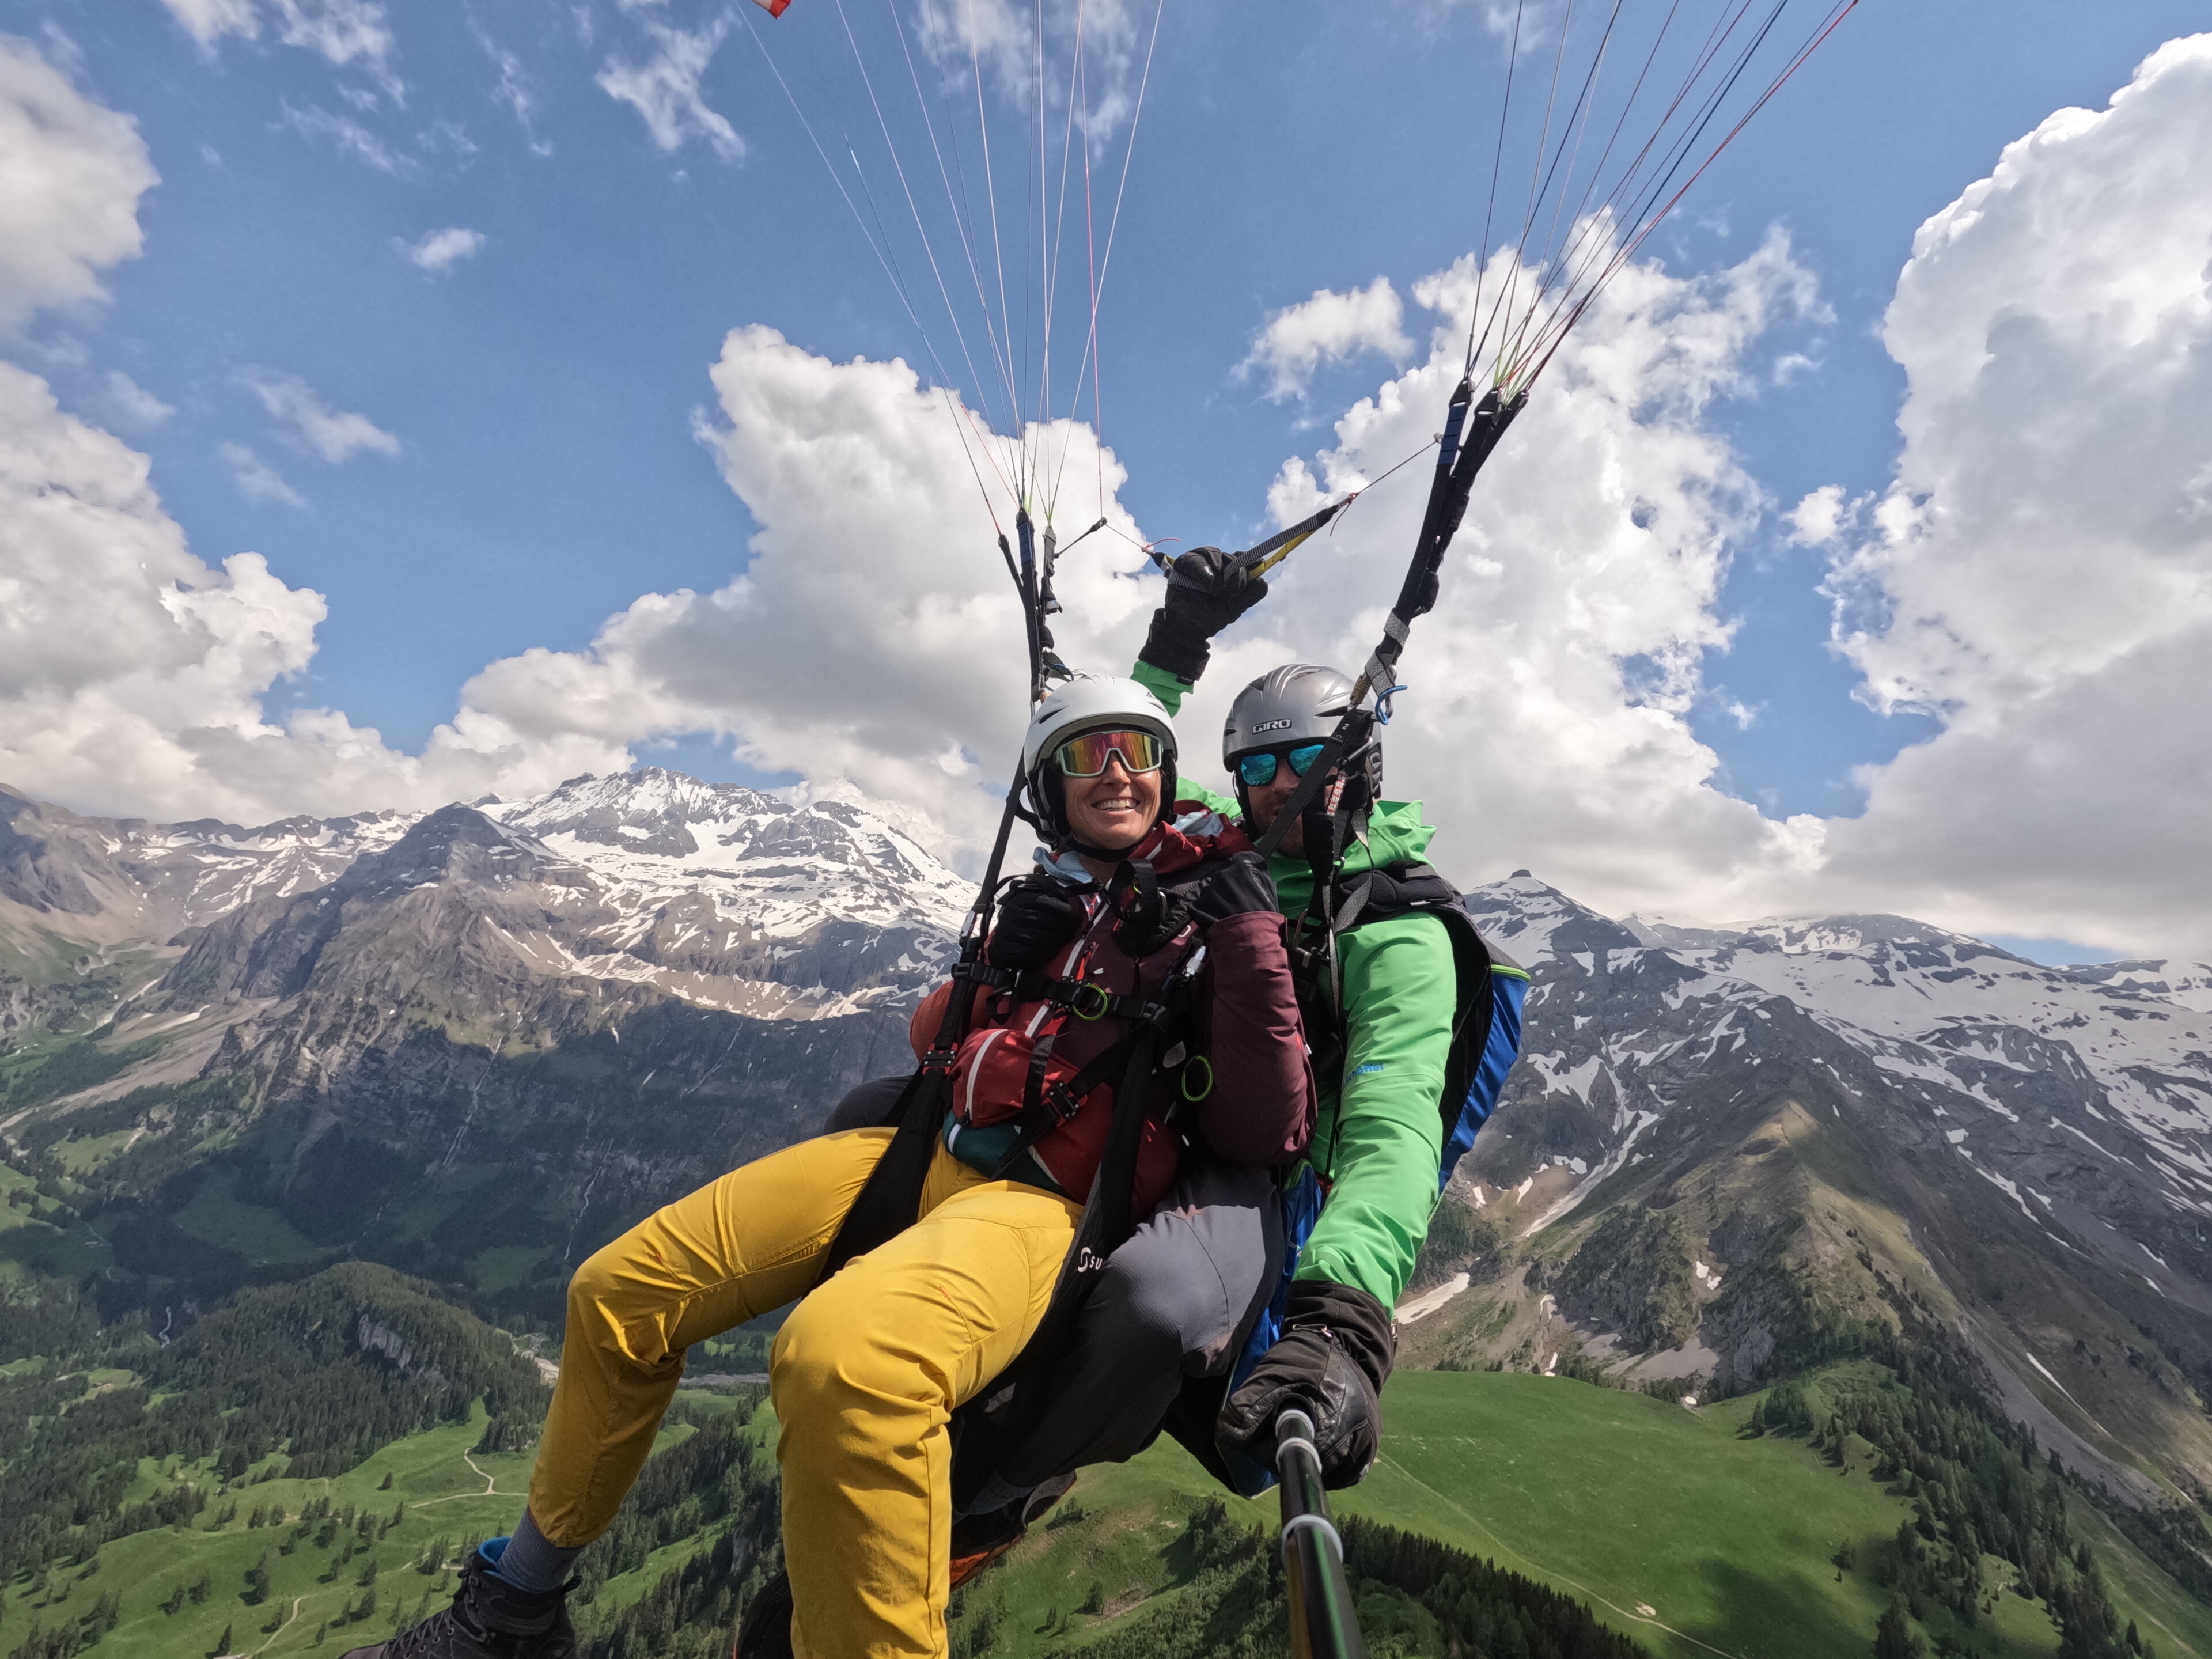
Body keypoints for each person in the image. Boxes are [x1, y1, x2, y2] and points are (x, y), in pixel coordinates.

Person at [345, 675, 1314, 1659]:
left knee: (846, 1364)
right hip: (929, 1153)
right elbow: (937, 1038)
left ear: (1169, 771)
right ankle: (514, 1610)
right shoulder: (1056, 890)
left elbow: (1271, 1125)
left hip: (1048, 1202)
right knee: (620, 1293)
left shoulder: (1212, 892)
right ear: (1045, 788)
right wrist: (1006, 963)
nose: (1116, 773)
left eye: (1138, 752)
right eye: (1085, 754)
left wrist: (1249, 940)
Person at [979, 551, 1525, 1503]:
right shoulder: (1233, 853)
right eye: (1258, 767)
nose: (1280, 785)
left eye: (1306, 761)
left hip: (1269, 1176)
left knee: (1145, 1313)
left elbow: (1394, 1126)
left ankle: (999, 1491)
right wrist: (1174, 644)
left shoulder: (1397, 934)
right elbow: (1119, 776)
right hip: (1160, 1123)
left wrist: (1343, 1320)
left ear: (1356, 766)